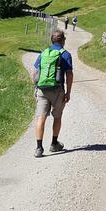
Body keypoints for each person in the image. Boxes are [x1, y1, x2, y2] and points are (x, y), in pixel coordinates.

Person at [32, 30, 74, 158]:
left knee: (41, 118)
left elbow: (34, 72)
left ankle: (39, 148)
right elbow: (69, 74)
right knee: (57, 116)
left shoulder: (44, 53)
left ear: (52, 40)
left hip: (42, 89)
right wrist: (68, 92)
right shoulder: (65, 54)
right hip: (57, 90)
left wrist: (36, 87)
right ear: (62, 41)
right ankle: (54, 144)